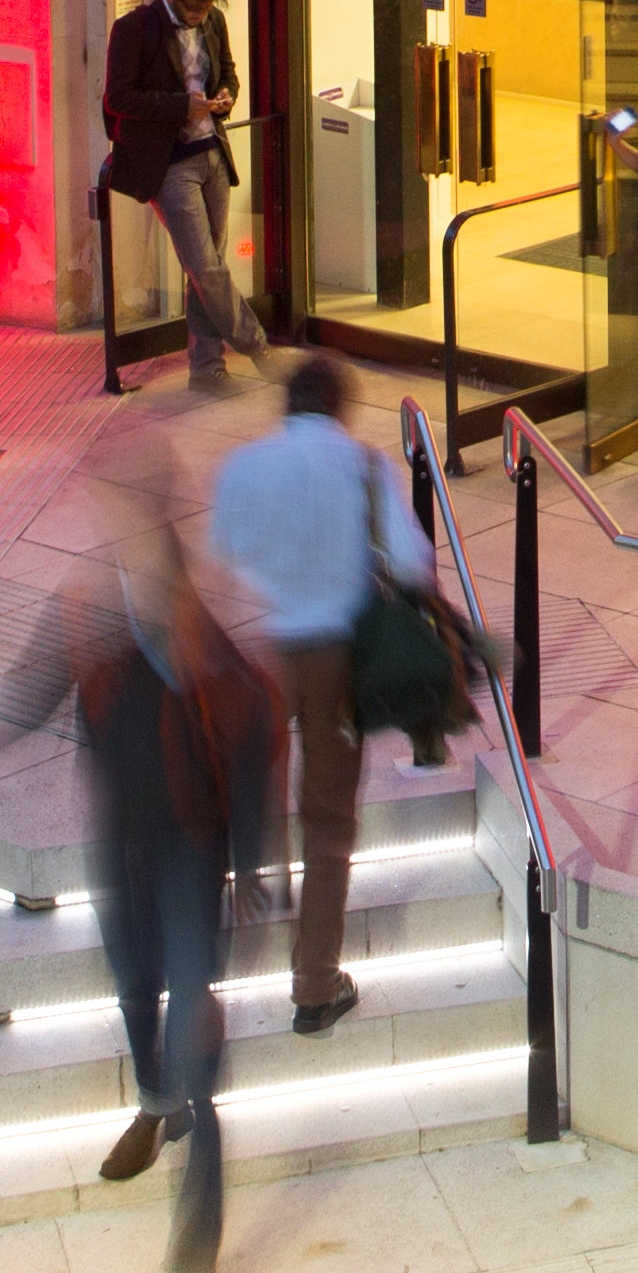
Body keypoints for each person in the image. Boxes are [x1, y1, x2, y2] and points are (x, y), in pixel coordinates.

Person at [0, 498, 274, 1273]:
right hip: (124, 843)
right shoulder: (86, 610)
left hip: (190, 841)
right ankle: (155, 1103)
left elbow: (251, 736)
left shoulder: (193, 630)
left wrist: (250, 863)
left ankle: (197, 1216)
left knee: (188, 995)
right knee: (134, 987)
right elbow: (38, 680)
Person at [205, 350, 430, 1039]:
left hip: (266, 654)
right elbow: (414, 561)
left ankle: (214, 952)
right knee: (328, 821)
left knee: (246, 798)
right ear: (340, 407)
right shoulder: (364, 466)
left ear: (286, 404)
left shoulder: (243, 466)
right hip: (338, 656)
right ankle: (314, 984)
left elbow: (223, 555)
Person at [105, 0, 266, 392]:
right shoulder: (135, 28)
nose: (200, 16)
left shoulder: (213, 22)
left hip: (212, 152)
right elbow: (117, 98)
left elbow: (230, 73)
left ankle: (207, 368)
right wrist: (182, 105)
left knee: (206, 269)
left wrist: (226, 95)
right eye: (194, 8)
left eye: (208, 7)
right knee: (205, 266)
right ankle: (258, 348)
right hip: (169, 162)